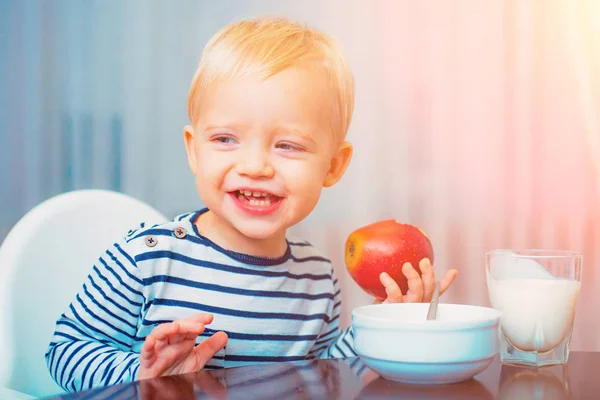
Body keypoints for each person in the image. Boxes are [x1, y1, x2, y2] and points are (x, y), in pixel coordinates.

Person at [45, 16, 458, 392]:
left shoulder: (317, 278)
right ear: (194, 150)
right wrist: (142, 372)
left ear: (333, 166)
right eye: (226, 139)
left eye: (288, 145)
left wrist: (386, 322)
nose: (255, 166)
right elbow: (63, 352)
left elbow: (323, 376)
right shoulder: (148, 258)